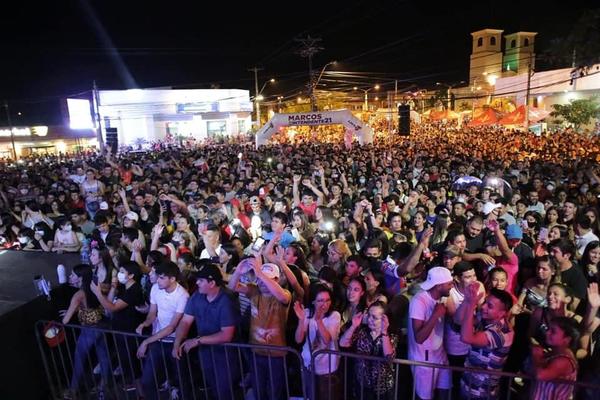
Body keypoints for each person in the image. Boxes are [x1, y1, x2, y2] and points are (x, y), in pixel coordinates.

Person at [172, 263, 242, 400]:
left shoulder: (226, 300)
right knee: (214, 389)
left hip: (226, 355)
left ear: (212, 283)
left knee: (225, 391)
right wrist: (177, 342)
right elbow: (186, 321)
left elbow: (227, 335)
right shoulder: (197, 296)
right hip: (206, 353)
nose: (197, 283)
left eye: (201, 280)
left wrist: (198, 340)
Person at [228, 257, 291, 400]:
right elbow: (232, 287)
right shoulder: (254, 291)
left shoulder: (284, 293)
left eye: (267, 279)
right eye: (260, 280)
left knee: (275, 393)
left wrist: (260, 273)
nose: (262, 283)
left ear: (277, 279)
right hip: (256, 351)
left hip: (277, 354)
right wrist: (238, 271)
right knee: (259, 391)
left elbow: (283, 298)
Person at [136, 261, 189, 400]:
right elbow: (152, 313)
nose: (157, 280)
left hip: (174, 342)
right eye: (158, 276)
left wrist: (146, 342)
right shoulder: (155, 289)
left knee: (180, 379)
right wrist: (145, 323)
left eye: (162, 277)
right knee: (147, 379)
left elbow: (172, 326)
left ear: (172, 279)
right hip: (157, 340)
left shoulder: (182, 296)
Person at [61, 264, 111, 398]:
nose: (70, 277)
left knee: (79, 359)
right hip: (102, 326)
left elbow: (65, 321)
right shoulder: (94, 286)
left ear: (80, 278)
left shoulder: (78, 295)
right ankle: (103, 387)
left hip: (89, 330)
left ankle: (72, 390)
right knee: (104, 357)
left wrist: (66, 317)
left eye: (72, 275)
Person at [458, 285, 514, 400]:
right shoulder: (485, 318)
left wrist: (472, 305)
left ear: (502, 313)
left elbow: (466, 338)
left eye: (490, 306)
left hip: (482, 391)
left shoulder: (502, 333)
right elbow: (458, 320)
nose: (483, 307)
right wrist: (467, 300)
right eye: (485, 302)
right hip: (468, 384)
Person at [407, 266, 453, 400]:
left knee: (445, 390)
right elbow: (419, 338)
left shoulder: (443, 298)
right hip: (423, 360)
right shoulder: (419, 301)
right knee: (424, 397)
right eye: (449, 283)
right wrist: (435, 315)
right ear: (439, 286)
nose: (452, 286)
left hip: (440, 354)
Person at [339, 301, 398, 400]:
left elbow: (389, 357)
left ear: (385, 319)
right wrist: (353, 326)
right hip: (362, 384)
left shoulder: (391, 336)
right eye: (369, 315)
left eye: (374, 317)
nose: (370, 319)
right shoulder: (362, 331)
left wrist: (384, 332)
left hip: (382, 388)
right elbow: (343, 343)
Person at [294, 284, 341, 400]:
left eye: (328, 300)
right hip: (308, 364)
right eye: (320, 300)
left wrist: (319, 321)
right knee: (311, 396)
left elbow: (327, 339)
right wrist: (301, 320)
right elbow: (298, 339)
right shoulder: (306, 313)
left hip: (328, 367)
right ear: (313, 302)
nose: (325, 304)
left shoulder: (334, 315)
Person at [530, 316, 580, 400]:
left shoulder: (564, 360)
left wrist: (537, 355)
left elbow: (540, 375)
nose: (547, 333)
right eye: (549, 329)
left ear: (567, 339)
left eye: (553, 331)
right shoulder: (555, 353)